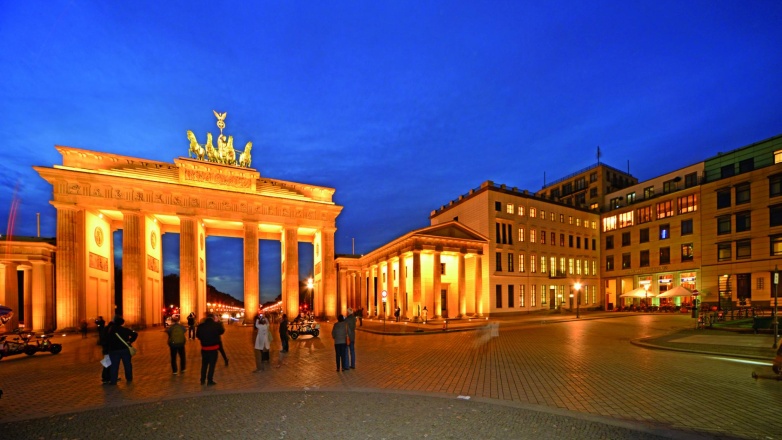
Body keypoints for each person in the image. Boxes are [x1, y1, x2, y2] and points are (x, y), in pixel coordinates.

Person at [105, 316, 137, 385]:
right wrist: (130, 341)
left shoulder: (110, 330)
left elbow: (106, 340)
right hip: (124, 349)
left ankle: (113, 381)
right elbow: (135, 334)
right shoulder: (125, 329)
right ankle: (129, 378)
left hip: (113, 350)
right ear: (122, 323)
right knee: (127, 364)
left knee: (114, 366)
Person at [195, 313, 224, 386]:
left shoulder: (201, 326)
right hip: (213, 348)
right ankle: (209, 380)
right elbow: (222, 331)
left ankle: (202, 380)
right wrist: (218, 322)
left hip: (204, 348)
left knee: (204, 364)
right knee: (212, 365)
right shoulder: (216, 325)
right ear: (213, 318)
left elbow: (197, 335)